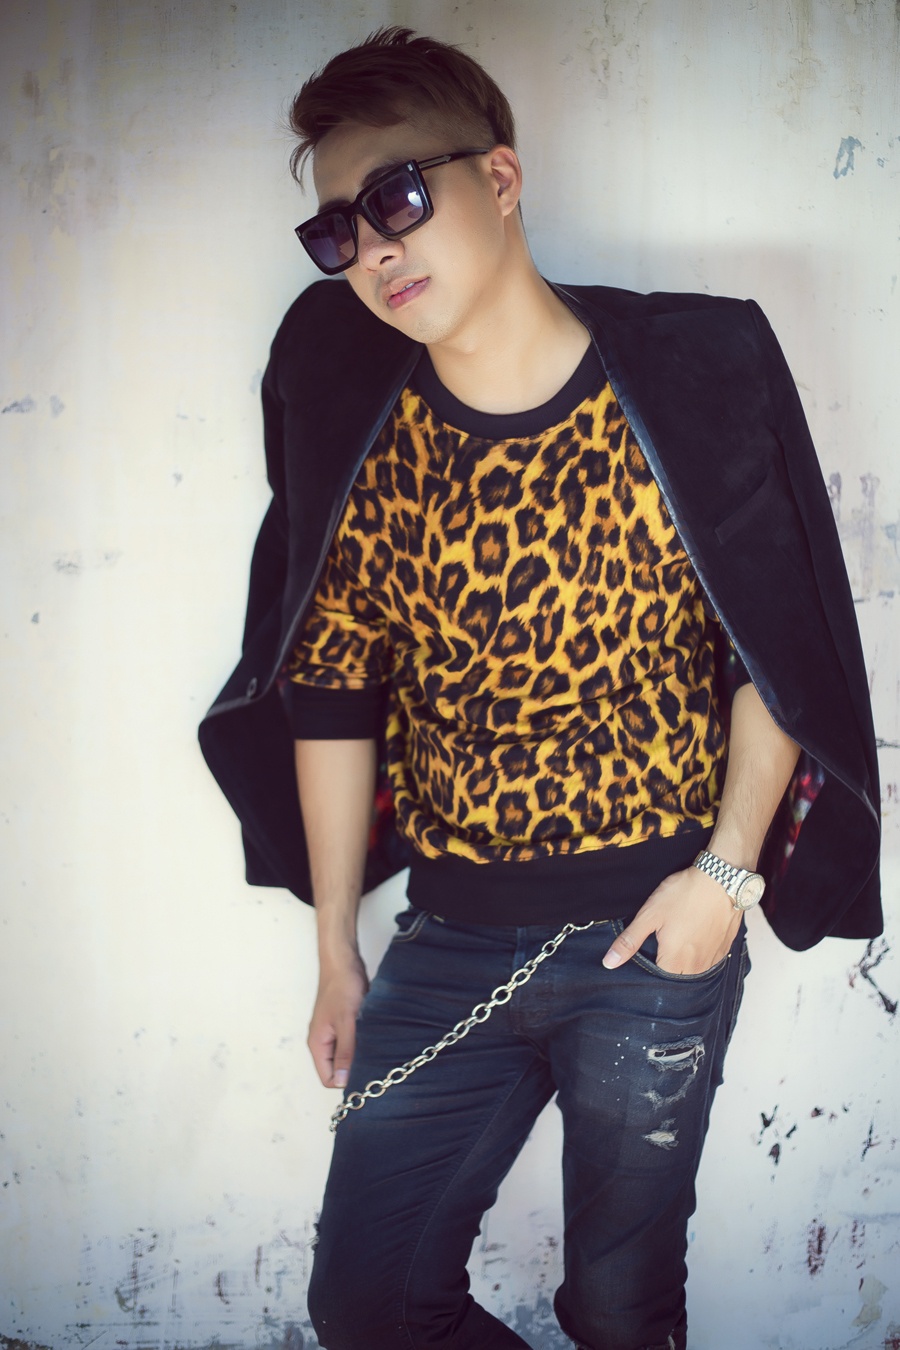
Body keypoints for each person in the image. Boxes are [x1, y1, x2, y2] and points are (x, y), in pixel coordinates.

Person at [198, 27, 882, 1350]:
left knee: (621, 1313)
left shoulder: (689, 377)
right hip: (449, 938)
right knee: (368, 1305)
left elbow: (774, 653)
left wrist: (724, 880)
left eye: (399, 197)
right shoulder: (359, 420)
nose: (375, 249)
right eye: (338, 231)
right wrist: (336, 948)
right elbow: (332, 690)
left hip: (655, 934)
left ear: (500, 178)